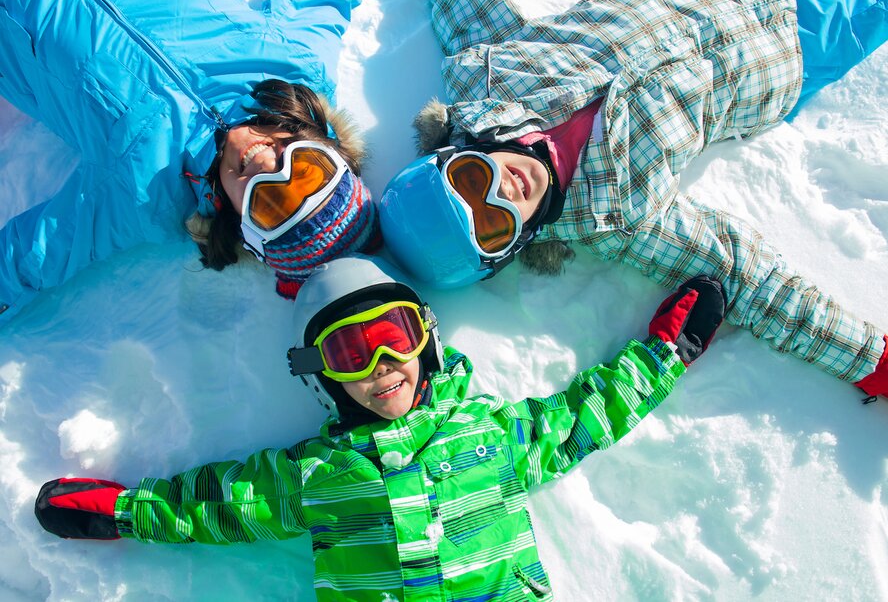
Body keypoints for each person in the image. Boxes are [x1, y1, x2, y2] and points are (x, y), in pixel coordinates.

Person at [379, 0, 888, 400]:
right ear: (511, 248)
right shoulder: (621, 216)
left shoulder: (490, 69)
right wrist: (873, 361)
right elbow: (751, 278)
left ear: (451, 154)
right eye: (493, 224)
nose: (504, 191)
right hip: (786, 48)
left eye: (472, 181)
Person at [33, 255, 726, 601]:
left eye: (393, 338)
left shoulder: (491, 436)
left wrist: (665, 354)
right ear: (324, 375)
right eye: (349, 352)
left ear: (424, 338)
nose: (381, 366)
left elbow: (583, 417)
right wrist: (126, 512)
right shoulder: (313, 476)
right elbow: (219, 505)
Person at [0, 0, 441, 324]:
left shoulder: (146, 195)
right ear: (323, 143)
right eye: (305, 167)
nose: (265, 163)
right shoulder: (294, 60)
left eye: (270, 202)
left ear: (242, 225)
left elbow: (34, 255)